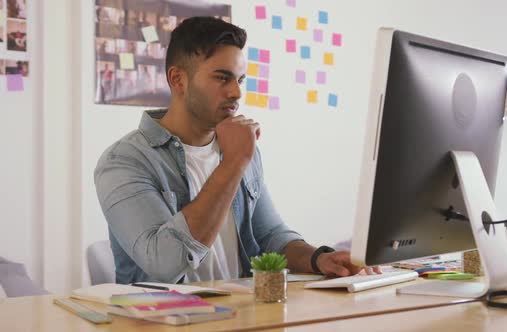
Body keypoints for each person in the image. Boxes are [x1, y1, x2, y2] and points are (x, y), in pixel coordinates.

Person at [95, 17, 375, 284]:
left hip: (241, 314)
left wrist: (319, 259)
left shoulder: (239, 148)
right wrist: (233, 163)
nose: (237, 93)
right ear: (178, 79)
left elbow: (269, 235)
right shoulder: (124, 161)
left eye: (239, 80)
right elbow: (165, 262)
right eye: (222, 78)